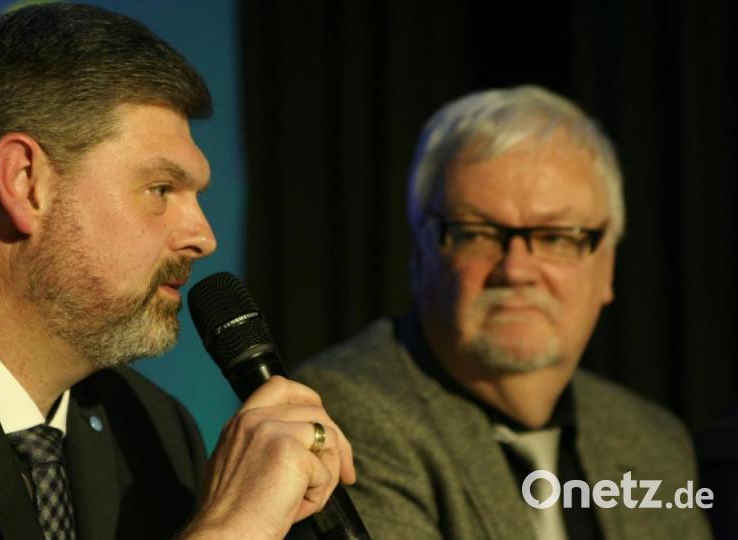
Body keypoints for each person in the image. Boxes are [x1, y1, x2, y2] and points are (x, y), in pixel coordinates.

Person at [0, 4, 354, 539]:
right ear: (27, 183)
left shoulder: (153, 428)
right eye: (160, 189)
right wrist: (232, 527)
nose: (203, 237)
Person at [294, 86, 712, 539]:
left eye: (556, 238)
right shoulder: (343, 410)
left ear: (607, 267)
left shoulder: (652, 439)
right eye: (477, 234)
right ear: (419, 254)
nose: (515, 270)